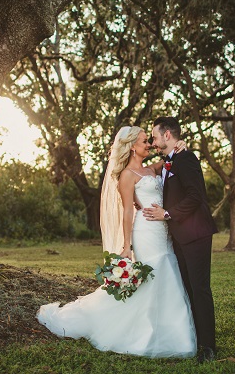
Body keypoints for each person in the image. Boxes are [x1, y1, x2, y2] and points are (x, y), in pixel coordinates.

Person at [37, 126, 197, 358]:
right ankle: (141, 332)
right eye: (144, 141)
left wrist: (181, 147)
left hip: (163, 230)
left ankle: (173, 332)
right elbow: (127, 213)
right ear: (132, 146)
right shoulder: (126, 176)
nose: (150, 144)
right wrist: (126, 246)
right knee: (153, 276)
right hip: (144, 231)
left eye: (149, 141)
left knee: (167, 275)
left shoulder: (152, 168)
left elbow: (171, 158)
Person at [143, 116, 218, 363]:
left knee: (200, 289)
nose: (153, 141)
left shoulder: (186, 158)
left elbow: (196, 196)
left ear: (167, 135)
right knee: (187, 288)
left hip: (195, 233)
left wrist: (167, 214)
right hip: (178, 236)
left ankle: (208, 347)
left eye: (154, 136)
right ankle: (196, 338)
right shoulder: (169, 160)